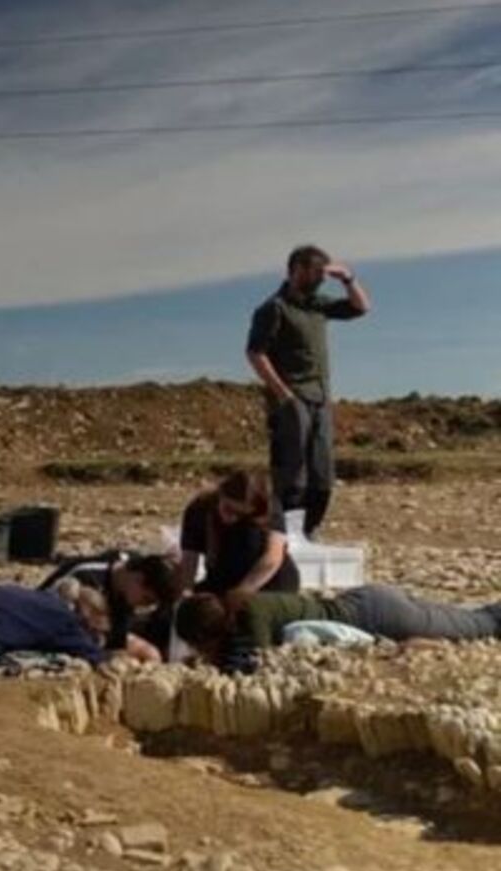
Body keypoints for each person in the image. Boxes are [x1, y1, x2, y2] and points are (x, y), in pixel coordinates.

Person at [246, 245, 370, 537]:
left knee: (322, 470)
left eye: (322, 274)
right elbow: (255, 353)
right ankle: (285, 533)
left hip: (320, 397)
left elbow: (361, 308)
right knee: (293, 469)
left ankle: (310, 529)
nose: (319, 279)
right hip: (291, 398)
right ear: (295, 270)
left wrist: (348, 279)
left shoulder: (317, 305)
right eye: (314, 272)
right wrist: (283, 394)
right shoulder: (273, 308)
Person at [177, 585, 501, 672]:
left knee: (482, 626)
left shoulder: (250, 615)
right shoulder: (242, 606)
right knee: (472, 619)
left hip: (375, 617)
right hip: (369, 604)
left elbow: (257, 665)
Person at [177, 471, 299, 607]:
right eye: (228, 509)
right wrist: (185, 592)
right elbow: (190, 558)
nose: (232, 518)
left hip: (267, 580)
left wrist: (243, 590)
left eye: (239, 514)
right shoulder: (199, 509)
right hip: (223, 578)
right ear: (221, 495)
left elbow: (272, 557)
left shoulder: (268, 507)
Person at [38, 550, 181, 662]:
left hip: (91, 639)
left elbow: (117, 642)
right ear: (138, 578)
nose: (142, 606)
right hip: (48, 631)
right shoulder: (85, 575)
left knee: (150, 654)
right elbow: (46, 614)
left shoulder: (125, 593)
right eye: (146, 599)